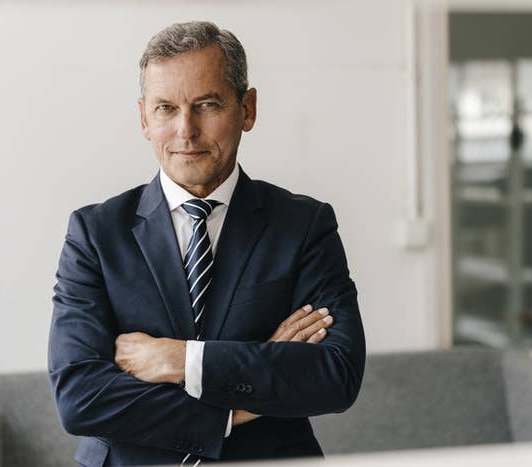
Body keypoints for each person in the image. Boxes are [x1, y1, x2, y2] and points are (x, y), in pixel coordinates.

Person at [48, 21, 365, 466]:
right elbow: (79, 397)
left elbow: (336, 374)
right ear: (144, 118)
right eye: (165, 108)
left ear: (247, 108)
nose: (186, 130)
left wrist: (182, 360)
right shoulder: (95, 234)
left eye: (207, 104)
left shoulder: (304, 225)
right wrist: (235, 409)